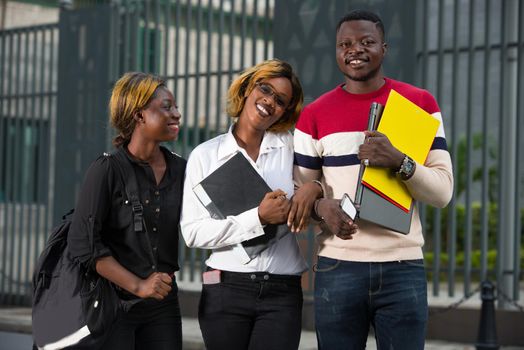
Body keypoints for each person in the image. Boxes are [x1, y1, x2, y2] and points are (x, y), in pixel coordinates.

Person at [293, 10, 454, 350]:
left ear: (385, 47)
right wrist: (321, 206)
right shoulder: (314, 114)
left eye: (367, 42)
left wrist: (398, 160)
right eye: (345, 44)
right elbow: (299, 198)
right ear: (336, 52)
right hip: (338, 267)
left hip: (402, 266)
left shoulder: (418, 104)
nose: (356, 50)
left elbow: (442, 192)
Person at [180, 59, 312, 350]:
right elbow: (192, 233)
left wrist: (312, 190)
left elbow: (314, 195)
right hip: (225, 288)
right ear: (247, 88)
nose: (269, 101)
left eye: (281, 101)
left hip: (282, 290)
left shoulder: (292, 147)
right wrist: (258, 217)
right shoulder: (206, 155)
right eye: (265, 89)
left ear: (285, 112)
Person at [68, 72, 186, 350]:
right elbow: (83, 245)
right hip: (112, 303)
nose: (177, 114)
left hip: (163, 306)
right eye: (166, 107)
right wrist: (138, 285)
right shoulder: (107, 169)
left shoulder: (182, 169)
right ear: (139, 115)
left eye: (176, 106)